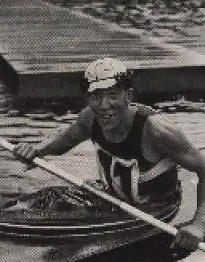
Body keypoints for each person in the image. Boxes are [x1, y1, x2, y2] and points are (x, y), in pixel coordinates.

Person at [13, 57, 205, 250]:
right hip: (112, 200)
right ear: (87, 99)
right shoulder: (89, 118)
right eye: (96, 96)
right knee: (46, 198)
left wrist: (198, 225)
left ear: (128, 96)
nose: (104, 105)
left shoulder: (157, 130)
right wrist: (35, 150)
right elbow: (63, 142)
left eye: (113, 94)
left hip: (157, 209)